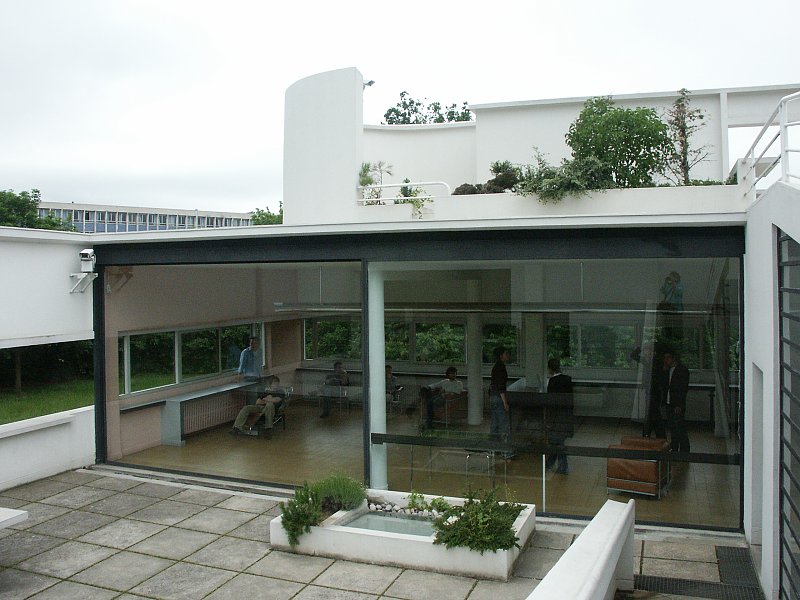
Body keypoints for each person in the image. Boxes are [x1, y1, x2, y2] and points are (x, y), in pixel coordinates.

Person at [631, 346, 666, 438]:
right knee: (651, 413)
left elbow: (659, 376)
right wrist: (641, 348)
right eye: (646, 351)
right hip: (649, 390)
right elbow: (633, 355)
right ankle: (652, 433)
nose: (647, 353)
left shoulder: (656, 362)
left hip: (655, 390)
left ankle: (654, 433)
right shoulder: (646, 361)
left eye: (649, 351)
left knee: (653, 413)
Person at [545, 358, 573, 474]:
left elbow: (551, 401)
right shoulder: (567, 379)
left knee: (557, 441)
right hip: (565, 415)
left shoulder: (552, 382)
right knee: (558, 441)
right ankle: (550, 463)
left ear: (550, 369)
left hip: (556, 416)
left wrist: (548, 419)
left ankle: (562, 467)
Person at [662, 350, 690, 452]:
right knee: (673, 427)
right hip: (670, 402)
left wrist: (679, 405)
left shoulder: (682, 370)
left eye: (668, 357)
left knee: (680, 427)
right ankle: (674, 447)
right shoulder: (668, 370)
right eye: (665, 358)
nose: (666, 360)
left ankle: (684, 450)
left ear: (674, 358)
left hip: (676, 403)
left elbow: (683, 389)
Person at [489, 347, 511, 452]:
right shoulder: (501, 368)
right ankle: (504, 450)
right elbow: (500, 386)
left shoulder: (496, 367)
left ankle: (493, 448)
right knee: (503, 425)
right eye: (506, 353)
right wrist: (505, 402)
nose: (508, 356)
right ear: (501, 356)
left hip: (493, 397)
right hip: (498, 398)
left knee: (494, 423)